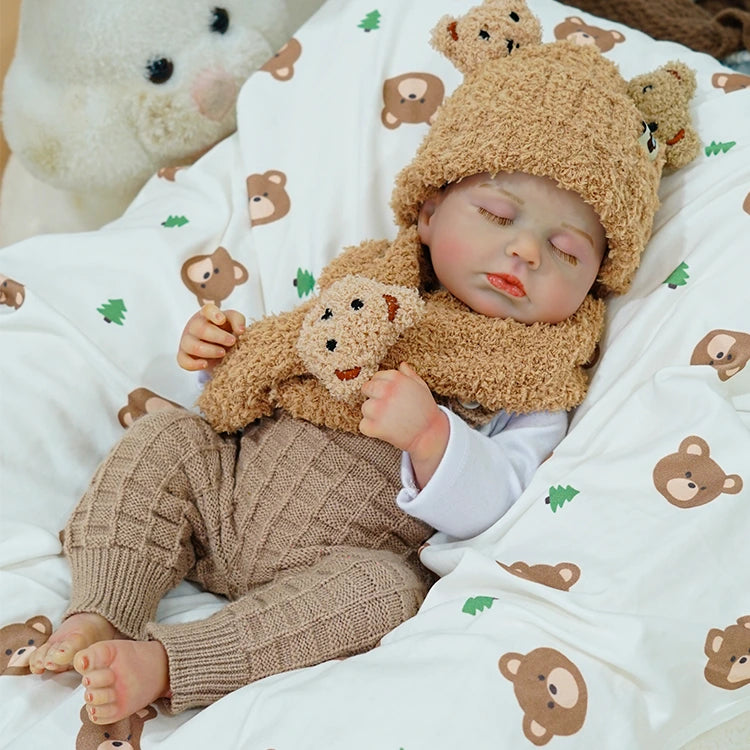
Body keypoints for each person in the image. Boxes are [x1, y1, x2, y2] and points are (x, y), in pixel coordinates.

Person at [28, 11, 695, 726]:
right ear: (431, 210)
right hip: (228, 489)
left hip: (337, 564)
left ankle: (172, 663)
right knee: (163, 444)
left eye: (566, 250)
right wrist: (217, 354)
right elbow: (287, 360)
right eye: (499, 214)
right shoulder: (375, 280)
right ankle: (103, 609)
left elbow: (503, 498)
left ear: (598, 278)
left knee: (383, 595)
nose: (526, 253)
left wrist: (432, 437)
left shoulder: (536, 377)